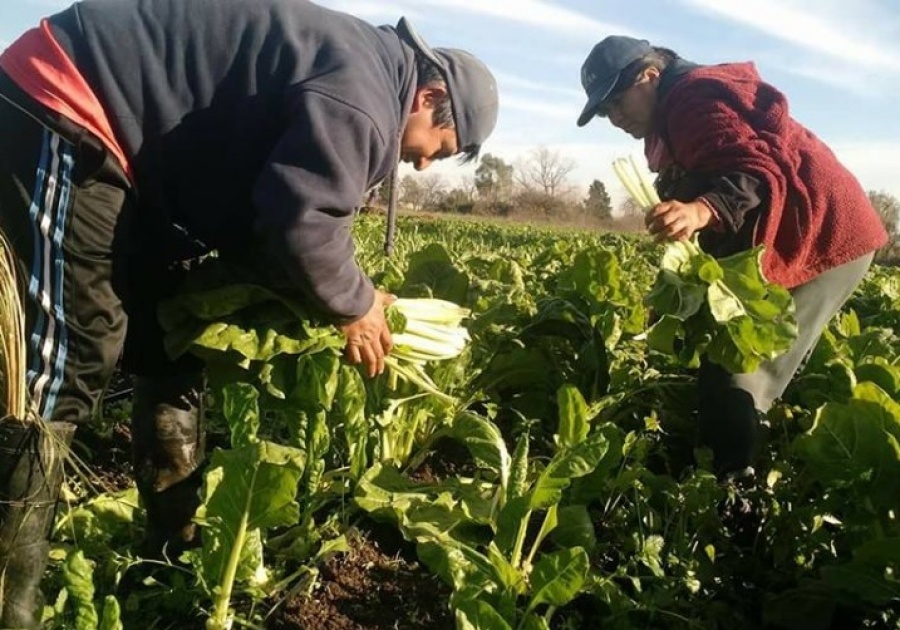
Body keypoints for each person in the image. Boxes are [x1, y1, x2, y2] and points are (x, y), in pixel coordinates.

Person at [0, 0, 498, 625]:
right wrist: (355, 305)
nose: (421, 164)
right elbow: (301, 221)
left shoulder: (363, 76)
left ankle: (168, 553)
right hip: (69, 98)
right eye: (437, 149)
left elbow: (272, 215)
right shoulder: (366, 98)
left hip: (139, 160)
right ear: (429, 96)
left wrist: (353, 294)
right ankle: (10, 600)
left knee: (168, 331)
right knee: (70, 351)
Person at [575, 36, 887, 479]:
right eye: (606, 112)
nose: (616, 118)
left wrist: (700, 210)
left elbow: (754, 170)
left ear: (649, 76)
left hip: (826, 233)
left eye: (617, 102)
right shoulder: (665, 122)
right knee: (732, 358)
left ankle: (729, 491)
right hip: (794, 232)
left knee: (740, 366)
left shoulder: (693, 100)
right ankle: (754, 453)